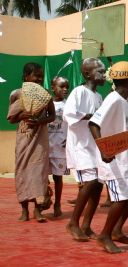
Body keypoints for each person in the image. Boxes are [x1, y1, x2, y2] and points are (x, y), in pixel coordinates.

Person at [89, 61, 128, 254]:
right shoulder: (113, 99)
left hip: (127, 159)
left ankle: (116, 229)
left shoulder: (124, 101)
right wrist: (104, 150)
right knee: (120, 198)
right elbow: (93, 124)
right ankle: (104, 235)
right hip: (114, 162)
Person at [7, 63, 56, 222]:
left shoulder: (46, 95)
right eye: (36, 76)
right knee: (22, 172)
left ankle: (38, 210)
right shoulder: (17, 94)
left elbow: (52, 116)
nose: (39, 79)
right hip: (24, 138)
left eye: (41, 77)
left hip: (40, 139)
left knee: (39, 173)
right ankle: (24, 210)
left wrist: (40, 120)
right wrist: (23, 115)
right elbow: (11, 119)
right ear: (26, 77)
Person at [64, 58, 105, 241]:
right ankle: (73, 222)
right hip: (80, 145)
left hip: (94, 145)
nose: (104, 75)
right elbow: (68, 114)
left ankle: (87, 225)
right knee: (90, 182)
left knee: (97, 185)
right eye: (100, 72)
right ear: (88, 73)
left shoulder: (99, 96)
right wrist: (92, 116)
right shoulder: (78, 92)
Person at [48, 76, 70, 218]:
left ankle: (57, 203)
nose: (65, 89)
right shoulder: (45, 104)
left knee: (58, 178)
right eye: (61, 86)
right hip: (45, 146)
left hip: (60, 146)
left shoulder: (68, 105)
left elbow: (72, 124)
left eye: (67, 87)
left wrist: (68, 139)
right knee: (42, 178)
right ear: (53, 88)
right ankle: (42, 202)